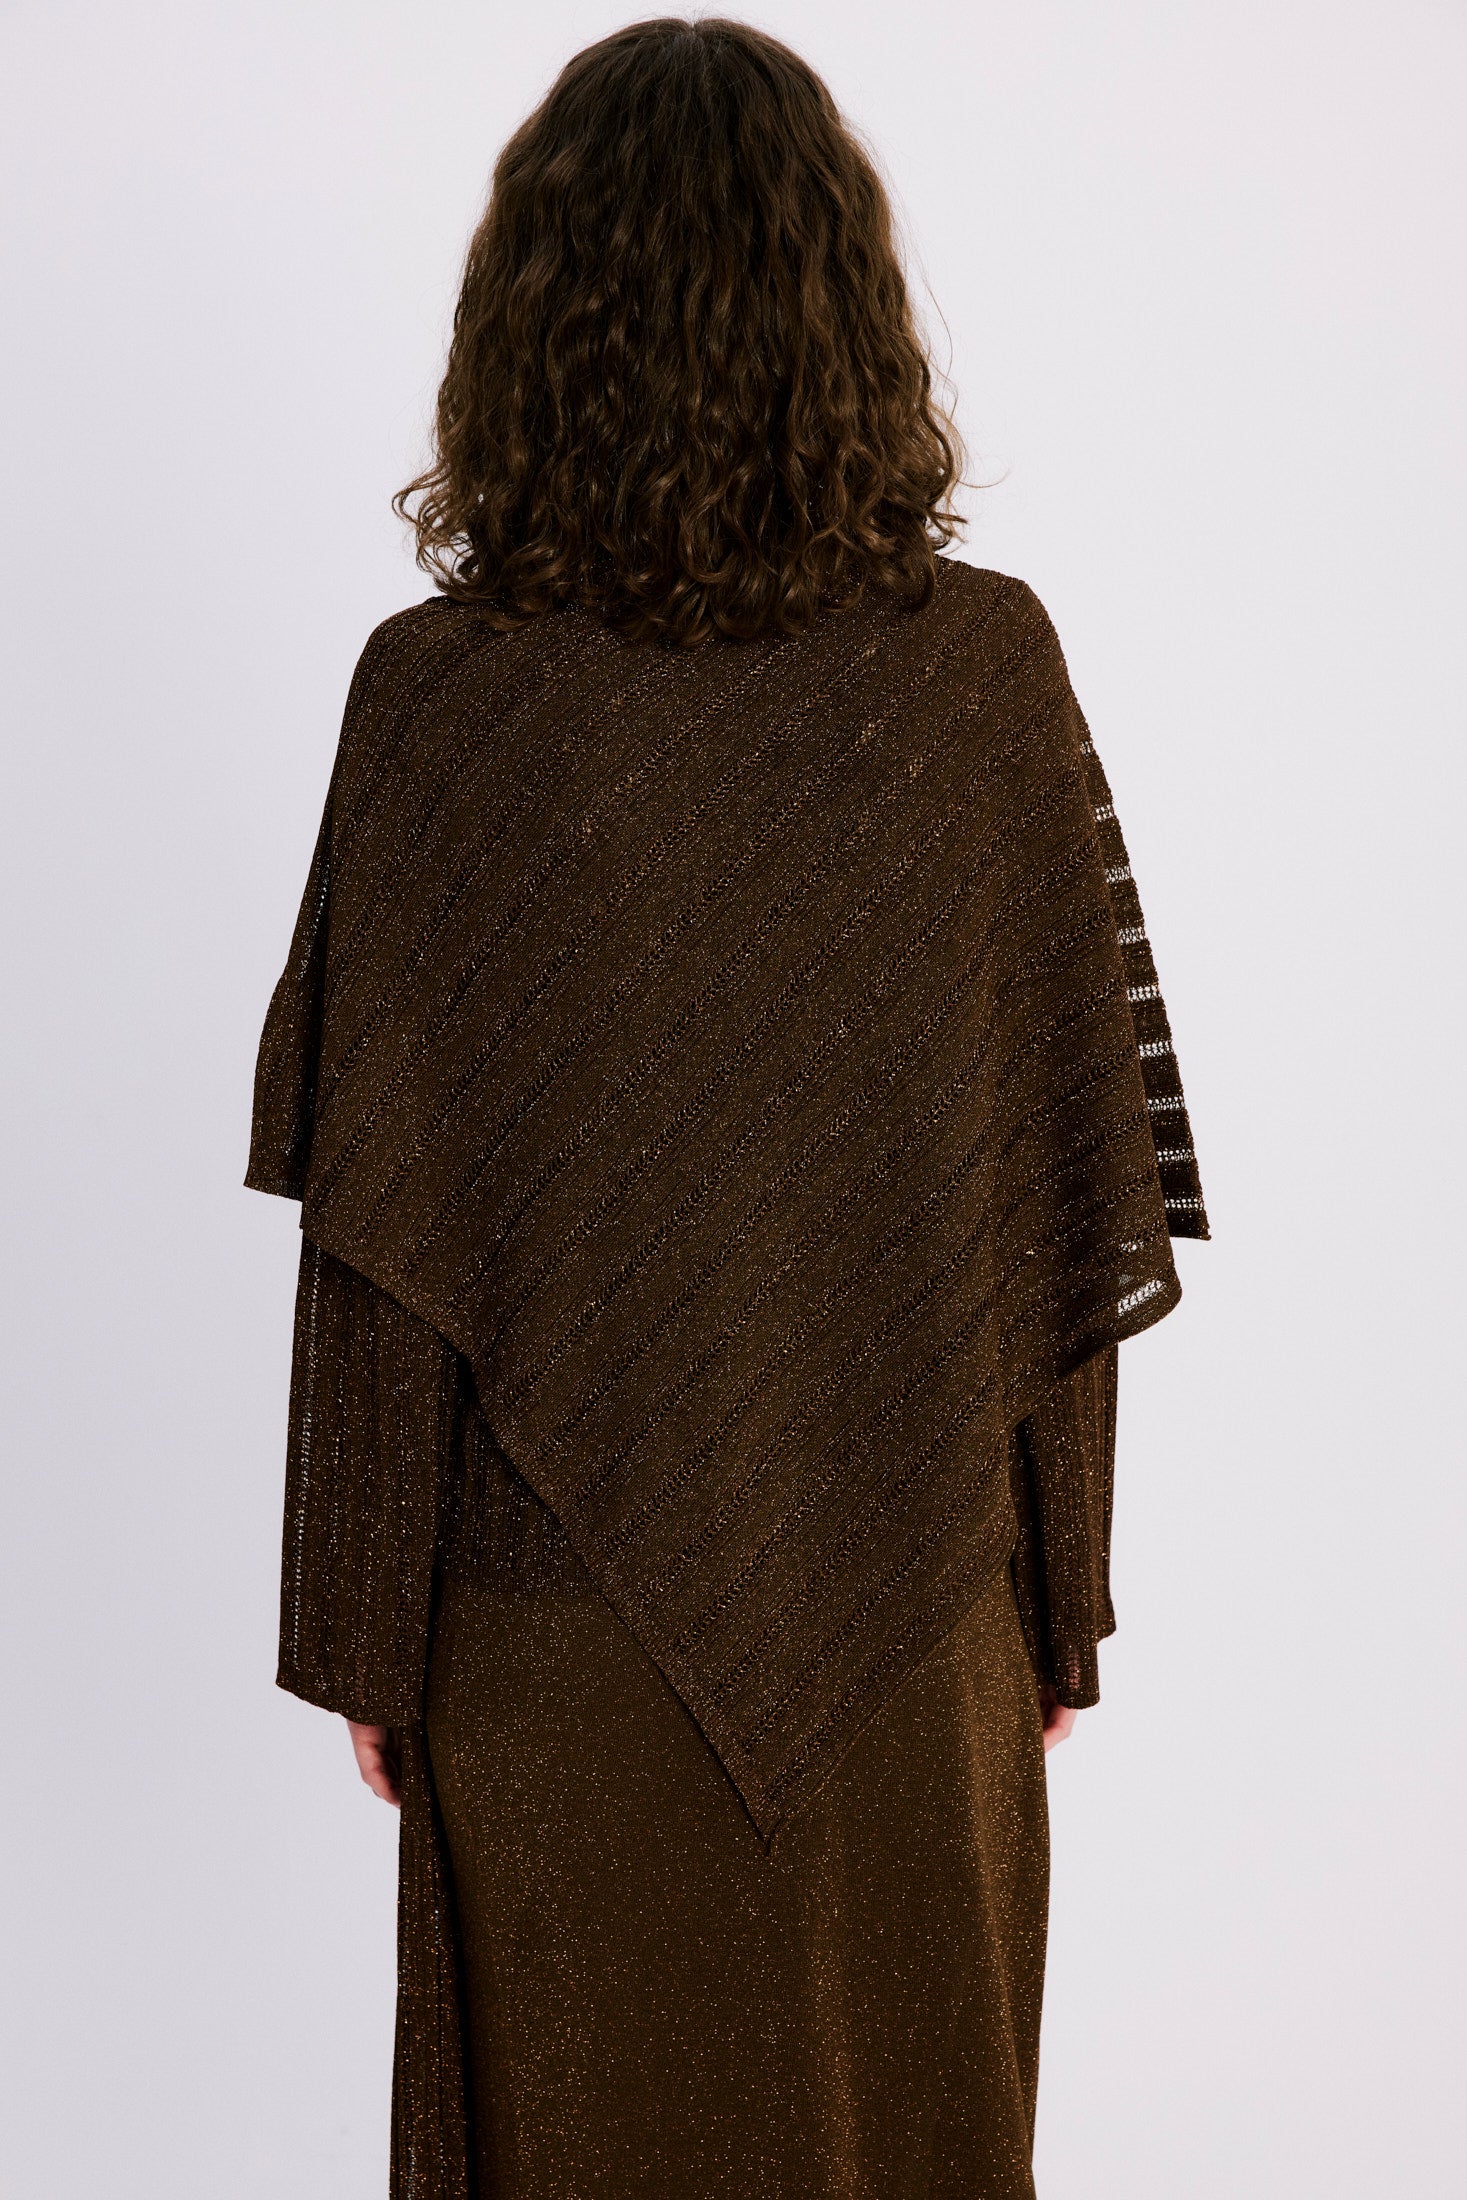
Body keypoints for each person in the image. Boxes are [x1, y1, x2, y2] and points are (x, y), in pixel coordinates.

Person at [245, 18, 1208, 2198]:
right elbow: (1065, 1200)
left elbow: (375, 1239)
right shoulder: (980, 674)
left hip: (535, 1628)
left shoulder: (441, 699)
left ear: (527, 323)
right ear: (842, 311)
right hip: (918, 1624)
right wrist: (1056, 1604)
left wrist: (368, 1622)